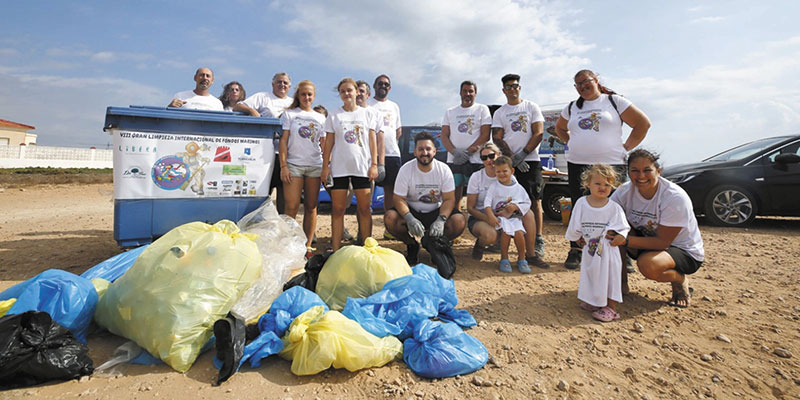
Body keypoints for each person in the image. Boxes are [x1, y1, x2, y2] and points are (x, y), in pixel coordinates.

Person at [554, 69, 651, 270]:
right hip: (578, 164)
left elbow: (642, 123)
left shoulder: (614, 102)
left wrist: (626, 147)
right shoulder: (572, 107)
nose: (582, 87)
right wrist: (572, 142)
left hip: (610, 164)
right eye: (577, 84)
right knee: (580, 206)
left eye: (585, 82)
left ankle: (621, 252)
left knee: (614, 207)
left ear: (596, 80)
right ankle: (577, 249)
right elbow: (560, 128)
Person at [609, 149, 704, 308]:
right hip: (645, 241)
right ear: (628, 172)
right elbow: (606, 215)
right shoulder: (624, 191)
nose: (641, 176)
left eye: (647, 170)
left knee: (648, 265)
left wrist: (625, 240)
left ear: (658, 171)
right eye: (635, 171)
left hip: (681, 249)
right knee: (613, 231)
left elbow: (662, 242)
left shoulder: (674, 197)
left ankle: (679, 279)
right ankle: (621, 284)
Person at [384, 131, 466, 264]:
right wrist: (409, 218)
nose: (425, 153)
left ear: (435, 151)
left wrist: (441, 219)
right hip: (412, 211)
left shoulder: (444, 170)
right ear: (415, 152)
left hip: (435, 210)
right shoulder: (406, 169)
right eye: (420, 149)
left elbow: (449, 199)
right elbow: (398, 198)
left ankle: (436, 243)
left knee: (459, 221)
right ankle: (412, 245)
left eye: (428, 149)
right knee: (390, 218)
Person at [466, 142, 549, 268]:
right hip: (482, 216)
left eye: (491, 156)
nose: (488, 160)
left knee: (529, 214)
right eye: (484, 158)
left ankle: (531, 255)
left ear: (498, 155)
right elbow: (470, 208)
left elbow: (519, 199)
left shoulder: (508, 176)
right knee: (490, 235)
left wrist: (514, 208)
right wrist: (490, 219)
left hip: (506, 215)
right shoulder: (477, 177)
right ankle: (482, 243)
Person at [565, 164, 630, 322]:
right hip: (589, 248)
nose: (603, 187)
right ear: (588, 184)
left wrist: (620, 236)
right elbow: (575, 224)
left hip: (608, 251)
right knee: (591, 274)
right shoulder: (581, 203)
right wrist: (576, 237)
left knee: (609, 278)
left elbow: (623, 227)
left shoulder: (614, 207)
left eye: (607, 184)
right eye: (598, 183)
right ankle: (595, 301)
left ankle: (611, 308)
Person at [491, 73, 546, 258]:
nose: (512, 89)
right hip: (508, 162)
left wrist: (524, 154)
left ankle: (537, 239)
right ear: (503, 90)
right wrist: (512, 157)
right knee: (505, 198)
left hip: (530, 160)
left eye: (515, 86)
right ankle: (502, 236)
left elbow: (538, 133)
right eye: (509, 87)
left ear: (519, 88)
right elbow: (497, 137)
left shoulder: (531, 107)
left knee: (533, 200)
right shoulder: (500, 112)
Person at [321, 78, 378, 251]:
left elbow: (372, 140)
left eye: (349, 90)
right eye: (342, 91)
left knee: (364, 209)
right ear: (339, 94)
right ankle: (337, 249)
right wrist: (325, 167)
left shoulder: (368, 113)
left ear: (356, 92)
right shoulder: (334, 115)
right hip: (339, 169)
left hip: (361, 168)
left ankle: (368, 249)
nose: (346, 94)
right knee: (338, 210)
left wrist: (374, 164)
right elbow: (329, 142)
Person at [234, 73, 294, 214]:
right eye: (279, 82)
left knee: (284, 192)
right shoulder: (262, 97)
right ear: (273, 84)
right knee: (263, 190)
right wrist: (251, 110)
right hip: (264, 154)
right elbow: (238, 106)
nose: (282, 85)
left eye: (285, 83)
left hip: (287, 154)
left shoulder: (293, 102)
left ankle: (282, 223)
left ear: (289, 86)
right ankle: (258, 222)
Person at [279, 80, 325, 253]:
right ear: (298, 95)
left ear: (314, 97)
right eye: (303, 94)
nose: (306, 97)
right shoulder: (289, 114)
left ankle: (307, 244)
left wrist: (326, 167)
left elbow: (324, 144)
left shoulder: (321, 118)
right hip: (294, 165)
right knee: (291, 207)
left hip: (314, 166)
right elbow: (283, 141)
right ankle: (287, 244)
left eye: (310, 94)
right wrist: (283, 165)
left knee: (311, 207)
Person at [441, 80, 491, 209]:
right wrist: (454, 152)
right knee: (454, 191)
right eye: (465, 91)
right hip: (455, 160)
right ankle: (455, 218)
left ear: (475, 93)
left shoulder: (482, 109)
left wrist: (468, 152)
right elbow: (444, 135)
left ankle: (476, 219)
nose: (467, 94)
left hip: (475, 160)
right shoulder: (450, 112)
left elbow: (485, 135)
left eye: (471, 91)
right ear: (460, 93)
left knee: (477, 193)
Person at [483, 156, 532, 274]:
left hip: (514, 218)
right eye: (498, 171)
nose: (502, 174)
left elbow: (527, 203)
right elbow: (487, 203)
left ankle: (522, 259)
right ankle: (504, 258)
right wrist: (491, 216)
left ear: (512, 171)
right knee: (506, 233)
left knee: (519, 233)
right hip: (500, 218)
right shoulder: (494, 187)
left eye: (505, 171)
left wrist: (515, 207)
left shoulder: (518, 188)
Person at [368, 75, 402, 218]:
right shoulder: (367, 104)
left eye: (386, 84)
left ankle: (389, 227)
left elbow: (398, 131)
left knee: (391, 191)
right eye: (380, 83)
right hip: (370, 155)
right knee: (367, 191)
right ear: (374, 86)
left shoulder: (394, 106)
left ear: (390, 88)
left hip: (392, 154)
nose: (383, 86)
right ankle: (363, 231)